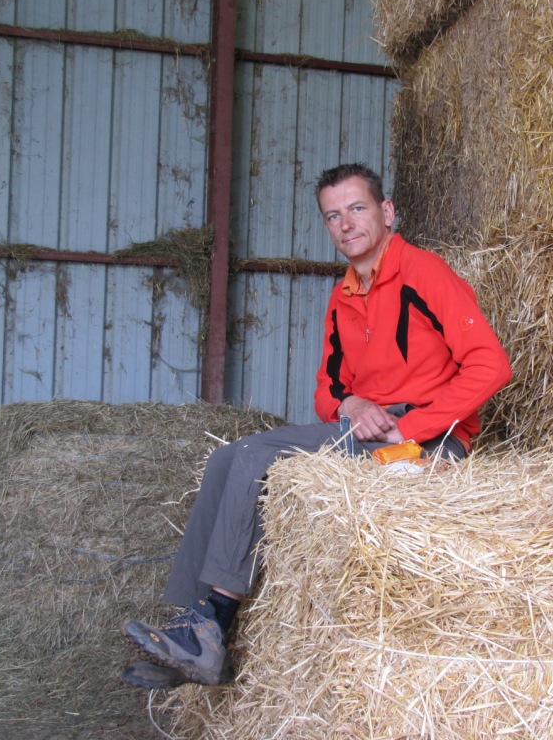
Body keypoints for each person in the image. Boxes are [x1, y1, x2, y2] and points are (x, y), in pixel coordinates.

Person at [121, 163, 512, 689]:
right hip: (367, 431)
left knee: (259, 456)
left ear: (386, 212)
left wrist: (411, 428)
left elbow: (491, 365)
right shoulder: (343, 297)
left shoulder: (425, 274)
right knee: (226, 456)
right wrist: (350, 405)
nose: (346, 224)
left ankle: (211, 628)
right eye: (334, 216)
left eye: (357, 208)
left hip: (430, 444)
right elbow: (327, 390)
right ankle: (192, 628)